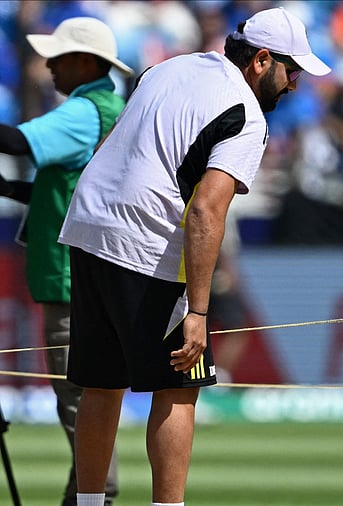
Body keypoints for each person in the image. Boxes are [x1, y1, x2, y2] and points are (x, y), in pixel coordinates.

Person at [56, 7, 331, 506]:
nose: (294, 85)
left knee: (101, 383)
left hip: (89, 224)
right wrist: (199, 312)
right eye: (291, 70)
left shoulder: (166, 67)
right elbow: (206, 211)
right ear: (261, 60)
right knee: (179, 386)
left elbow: (119, 144)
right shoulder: (245, 113)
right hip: (144, 238)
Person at [0, 16, 131, 506]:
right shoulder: (111, 106)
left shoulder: (83, 111)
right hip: (93, 273)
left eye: (57, 57)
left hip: (70, 279)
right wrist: (10, 188)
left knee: (79, 400)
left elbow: (16, 142)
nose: (49, 65)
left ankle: (96, 496)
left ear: (84, 61)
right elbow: (73, 189)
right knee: (87, 396)